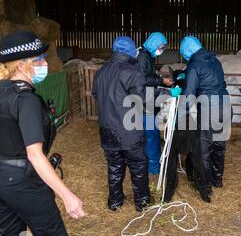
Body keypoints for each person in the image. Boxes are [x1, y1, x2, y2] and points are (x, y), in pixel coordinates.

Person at [0, 30, 86, 236]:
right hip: (23, 181)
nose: (45, 63)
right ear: (22, 65)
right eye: (38, 60)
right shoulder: (25, 100)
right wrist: (67, 196)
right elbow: (35, 155)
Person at [92, 36, 151, 212]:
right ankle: (142, 202)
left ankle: (115, 201)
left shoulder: (101, 71)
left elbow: (96, 95)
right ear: (131, 51)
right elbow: (139, 102)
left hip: (107, 130)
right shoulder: (133, 72)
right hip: (129, 130)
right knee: (138, 165)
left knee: (115, 165)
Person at [179, 36, 231, 201]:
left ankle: (205, 186)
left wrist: (181, 114)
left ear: (187, 51)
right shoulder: (215, 61)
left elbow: (189, 95)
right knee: (219, 144)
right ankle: (217, 179)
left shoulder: (194, 66)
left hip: (209, 108)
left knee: (204, 148)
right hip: (224, 106)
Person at [137, 32, 174, 175]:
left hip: (148, 99)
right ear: (153, 44)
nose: (161, 51)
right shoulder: (142, 57)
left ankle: (152, 164)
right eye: (160, 47)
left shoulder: (147, 56)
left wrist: (159, 78)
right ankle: (153, 167)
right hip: (144, 101)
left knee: (151, 132)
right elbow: (142, 80)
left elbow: (149, 75)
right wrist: (161, 81)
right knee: (151, 134)